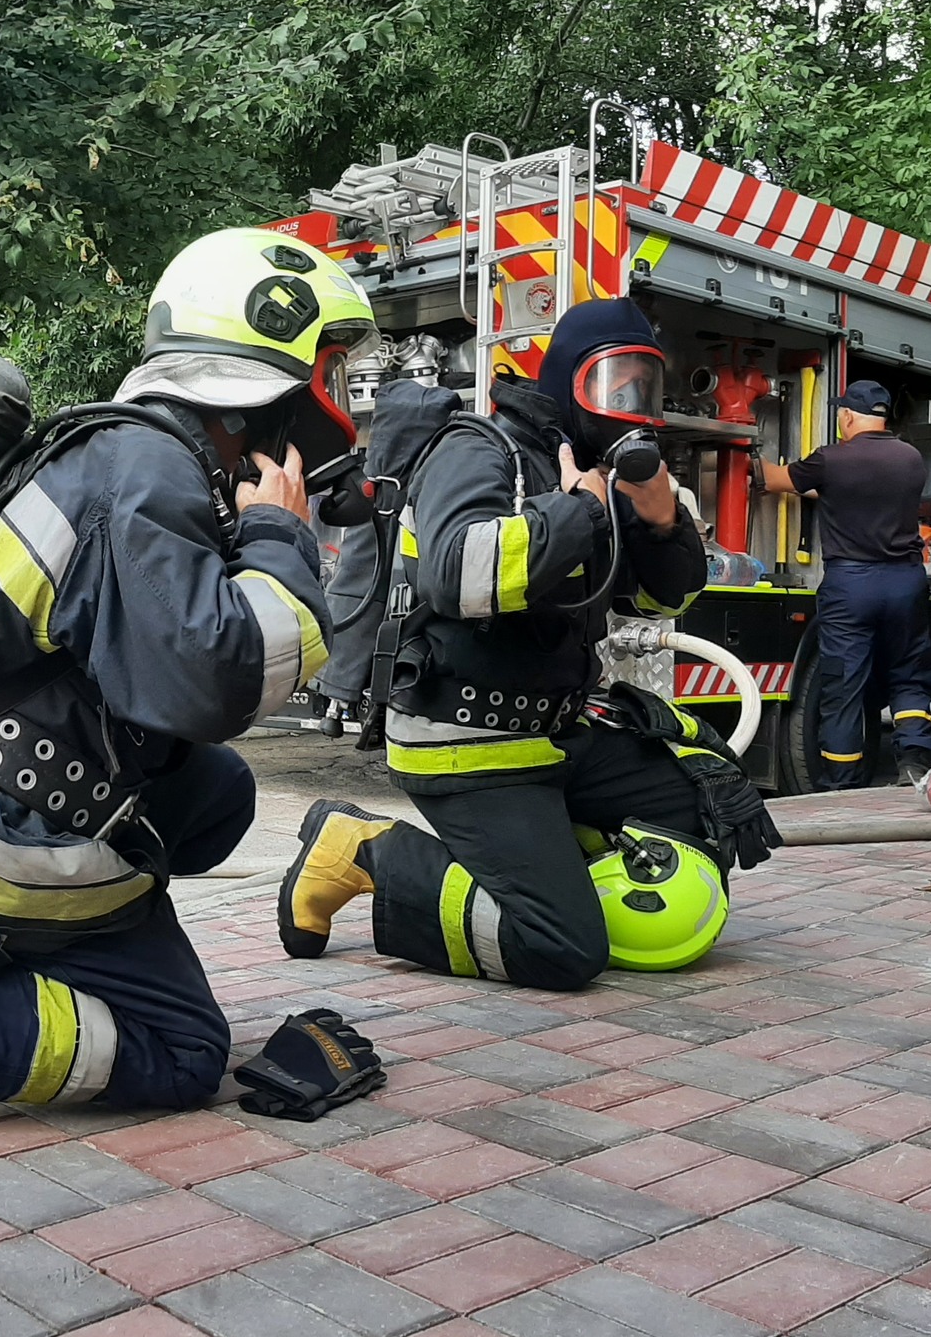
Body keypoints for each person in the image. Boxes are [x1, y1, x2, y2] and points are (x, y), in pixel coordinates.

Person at [0, 226, 369, 1156]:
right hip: (4, 830)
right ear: (269, 372)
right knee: (184, 1052)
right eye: (326, 369)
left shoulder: (116, 455)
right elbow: (217, 683)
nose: (331, 400)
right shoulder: (151, 474)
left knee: (219, 797)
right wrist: (277, 538)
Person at [280, 298, 772, 992]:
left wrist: (662, 524)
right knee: (560, 948)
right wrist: (574, 510)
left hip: (559, 732)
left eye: (645, 385)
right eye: (614, 382)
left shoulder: (601, 472)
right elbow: (457, 576)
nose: (631, 404)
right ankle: (363, 852)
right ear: (570, 378)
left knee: (706, 805)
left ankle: (547, 853)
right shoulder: (481, 449)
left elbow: (655, 602)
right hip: (467, 737)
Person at [763, 378, 931, 788]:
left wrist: (752, 454)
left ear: (845, 415)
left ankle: (842, 780)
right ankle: (913, 761)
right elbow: (862, 495)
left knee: (843, 682)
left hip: (852, 584)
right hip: (905, 581)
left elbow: (776, 481)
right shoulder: (911, 458)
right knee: (909, 673)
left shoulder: (830, 459)